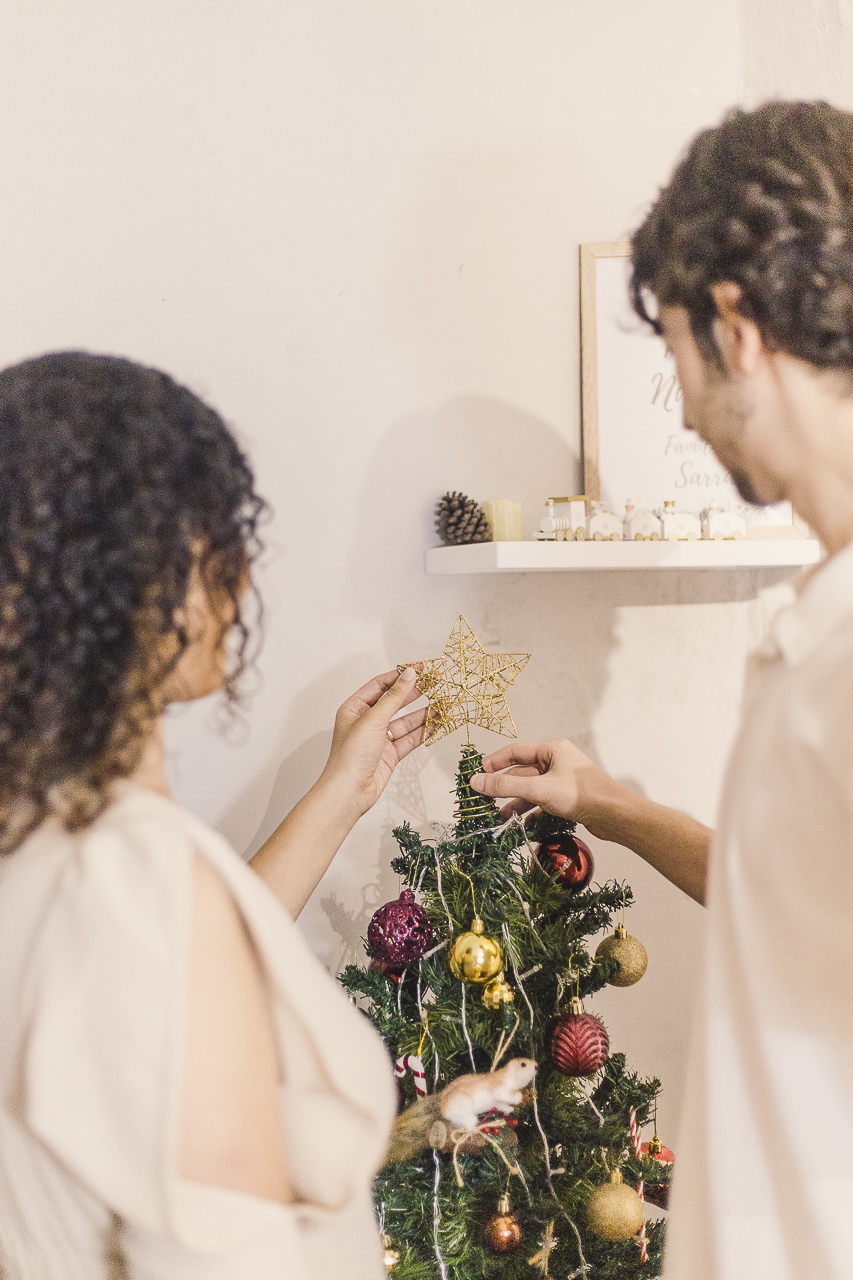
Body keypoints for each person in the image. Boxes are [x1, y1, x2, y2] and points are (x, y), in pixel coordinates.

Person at [471, 100, 853, 1280]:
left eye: (678, 351)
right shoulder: (819, 626)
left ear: (733, 324)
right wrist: (609, 801)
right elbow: (797, 901)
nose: (681, 404)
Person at [0, 351, 428, 1279]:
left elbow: (169, 989)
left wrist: (342, 791)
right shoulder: (139, 885)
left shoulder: (42, 837)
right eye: (220, 537)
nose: (241, 576)